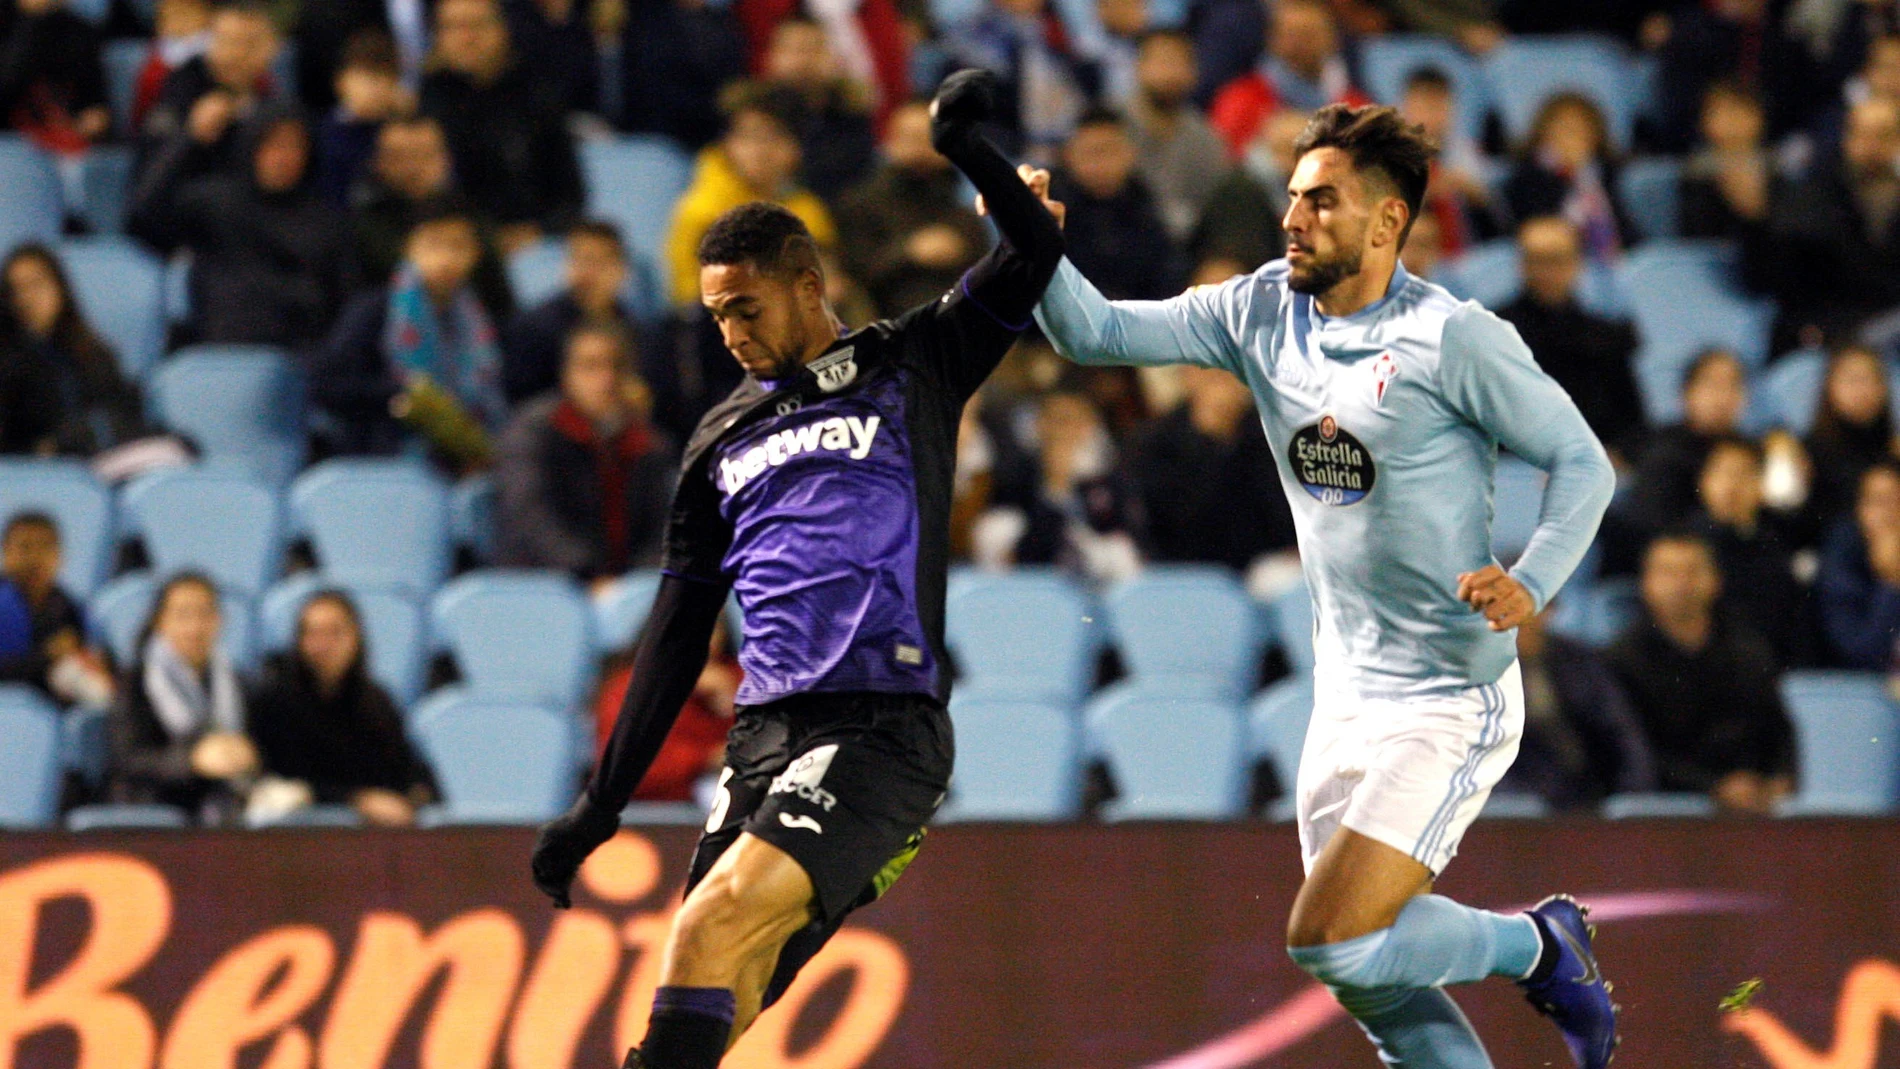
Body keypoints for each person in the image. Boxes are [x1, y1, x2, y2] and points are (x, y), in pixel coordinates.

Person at [1031, 102, 1620, 1068]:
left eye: (1322, 201)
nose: (1293, 219)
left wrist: (1532, 580)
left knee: (1329, 938)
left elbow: (1581, 462)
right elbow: (1093, 334)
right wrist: (1031, 249)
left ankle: (1538, 942)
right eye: (1293, 198)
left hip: (1448, 694)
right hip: (1343, 690)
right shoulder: (1260, 308)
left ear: (1389, 222)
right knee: (1370, 971)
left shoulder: (1453, 338)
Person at [530, 69, 1066, 1069]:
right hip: (762, 740)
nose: (731, 333)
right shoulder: (715, 441)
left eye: (746, 307)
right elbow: (680, 630)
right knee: (705, 1001)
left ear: (809, 285)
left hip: (881, 728)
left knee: (702, 929)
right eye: (715, 316)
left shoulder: (917, 363)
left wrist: (963, 148)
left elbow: (1032, 247)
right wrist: (599, 803)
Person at [129, 107, 357, 351]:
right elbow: (143, 215)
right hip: (221, 355)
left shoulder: (327, 221)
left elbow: (347, 301)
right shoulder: (216, 203)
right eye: (272, 145)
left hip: (302, 357)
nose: (282, 158)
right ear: (250, 146)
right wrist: (190, 141)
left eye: (294, 147)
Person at [1608, 531, 1796, 813]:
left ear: (1716, 580)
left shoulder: (1747, 648)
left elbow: (1778, 728)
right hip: (1664, 810)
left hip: (1753, 804)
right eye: (1669, 572)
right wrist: (1713, 787)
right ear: (1646, 583)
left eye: (1693, 571)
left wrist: (1779, 779)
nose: (1682, 584)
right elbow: (1634, 750)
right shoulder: (1623, 658)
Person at [312, 198, 506, 467]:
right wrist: (403, 396)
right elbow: (329, 386)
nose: (446, 259)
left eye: (458, 246)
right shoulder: (374, 311)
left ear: (476, 254)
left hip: (466, 457)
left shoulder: (481, 320)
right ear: (408, 249)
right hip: (383, 457)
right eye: (434, 244)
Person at [496, 325, 678, 578]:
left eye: (616, 366)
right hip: (546, 586)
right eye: (590, 366)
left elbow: (664, 529)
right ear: (566, 374)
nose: (607, 379)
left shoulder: (646, 443)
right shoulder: (533, 435)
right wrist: (588, 574)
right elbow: (532, 519)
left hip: (626, 589)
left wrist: (638, 581)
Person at [248, 591, 438, 826]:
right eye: (313, 633)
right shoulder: (274, 702)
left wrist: (416, 794)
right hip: (299, 834)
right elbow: (282, 779)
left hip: (374, 837)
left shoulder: (377, 702)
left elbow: (407, 768)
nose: (323, 645)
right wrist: (359, 800)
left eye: (334, 632)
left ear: (356, 637)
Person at [420, 0, 585, 254]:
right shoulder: (428, 102)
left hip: (532, 243)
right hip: (453, 246)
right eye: (452, 27)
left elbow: (570, 196)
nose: (466, 38)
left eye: (476, 26)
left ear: (504, 29)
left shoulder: (537, 97)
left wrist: (537, 231)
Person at [1744, 97, 1900, 353]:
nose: (1872, 145)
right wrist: (1754, 220)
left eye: (1883, 135)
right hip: (1824, 328)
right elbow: (1775, 276)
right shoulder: (1809, 196)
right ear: (1846, 138)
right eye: (1861, 134)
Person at [665, 86, 837, 309]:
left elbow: (828, 280)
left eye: (775, 137)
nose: (761, 151)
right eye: (749, 136)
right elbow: (690, 297)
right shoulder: (703, 211)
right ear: (727, 143)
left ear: (797, 149)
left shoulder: (808, 209)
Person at [108, 572, 258, 824]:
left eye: (205, 613)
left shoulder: (238, 681)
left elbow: (260, 746)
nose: (195, 626)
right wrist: (192, 761)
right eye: (182, 614)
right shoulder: (134, 681)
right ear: (159, 621)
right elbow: (126, 759)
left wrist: (249, 755)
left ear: (219, 620)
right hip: (154, 811)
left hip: (225, 807)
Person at [1497, 217, 1645, 461]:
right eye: (1535, 260)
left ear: (1577, 263)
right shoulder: (1493, 331)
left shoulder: (1606, 336)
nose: (1544, 272)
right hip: (1511, 472)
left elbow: (1634, 421)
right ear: (1520, 265)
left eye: (1555, 260)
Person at [1127, 363, 1296, 573]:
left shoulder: (1276, 431)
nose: (1220, 385)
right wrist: (1210, 441)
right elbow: (1168, 526)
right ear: (1186, 377)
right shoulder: (1155, 443)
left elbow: (1286, 520)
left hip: (1270, 567)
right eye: (1208, 373)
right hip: (1191, 574)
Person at [836, 98, 991, 317]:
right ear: (889, 142)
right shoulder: (861, 204)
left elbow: (988, 272)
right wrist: (909, 253)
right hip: (889, 324)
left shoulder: (961, 208)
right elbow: (853, 273)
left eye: (929, 139)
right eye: (911, 138)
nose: (920, 148)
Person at [349, 115, 514, 318]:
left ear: (445, 158)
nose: (412, 167)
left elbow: (500, 299)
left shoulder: (469, 215)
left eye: (424, 155)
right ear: (379, 162)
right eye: (399, 156)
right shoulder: (363, 222)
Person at [973, 389, 1142, 581]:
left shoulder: (1109, 476)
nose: (1063, 432)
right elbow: (1021, 542)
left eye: (1073, 421)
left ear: (1089, 427)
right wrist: (1055, 487)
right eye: (1055, 421)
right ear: (1038, 425)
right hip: (1034, 566)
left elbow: (1126, 532)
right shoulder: (1017, 473)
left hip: (1099, 573)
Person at [1498, 605, 1654, 812]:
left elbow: (1622, 734)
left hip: (1590, 796)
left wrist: (1633, 794)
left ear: (1550, 609)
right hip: (1516, 806)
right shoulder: (1474, 671)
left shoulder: (1580, 661)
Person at [0, 244, 146, 457]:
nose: (27, 298)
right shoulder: (8, 363)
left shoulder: (96, 355)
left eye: (36, 284)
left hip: (100, 465)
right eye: (16, 289)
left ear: (60, 287)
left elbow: (123, 418)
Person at [1691, 435, 1814, 669]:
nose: (1731, 486)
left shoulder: (1776, 542)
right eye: (1722, 473)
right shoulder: (1686, 545)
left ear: (1760, 485)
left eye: (1742, 474)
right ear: (1704, 482)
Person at [593, 617, 740, 801]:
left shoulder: (742, 680)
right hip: (652, 809)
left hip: (733, 798)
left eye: (711, 629)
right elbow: (623, 772)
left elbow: (765, 753)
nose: (699, 639)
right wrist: (705, 758)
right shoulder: (630, 688)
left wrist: (732, 703)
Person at [138, 0, 283, 183]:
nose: (234, 54)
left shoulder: (273, 101)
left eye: (248, 44)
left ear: (271, 49)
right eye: (226, 41)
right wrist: (191, 136)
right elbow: (144, 196)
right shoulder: (179, 92)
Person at [503, 221, 644, 404]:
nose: (586, 272)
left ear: (620, 268)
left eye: (597, 262)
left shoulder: (633, 326)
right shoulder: (535, 328)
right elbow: (523, 399)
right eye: (578, 259)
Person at [1049, 107, 1181, 301]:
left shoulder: (1144, 205)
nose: (1101, 164)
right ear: (1068, 155)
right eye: (1091, 153)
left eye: (1110, 151)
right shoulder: (1049, 208)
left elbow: (1165, 277)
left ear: (1130, 154)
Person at [1208, 0, 1369, 159]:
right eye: (1292, 34)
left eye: (1310, 34)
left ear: (1333, 38)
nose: (1301, 44)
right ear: (1272, 40)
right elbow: (1225, 160)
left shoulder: (1353, 104)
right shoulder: (1241, 101)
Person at [755, 16, 878, 201]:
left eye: (812, 49)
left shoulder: (852, 113)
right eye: (791, 50)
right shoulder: (751, 114)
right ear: (771, 57)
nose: (801, 61)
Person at [0, 512, 113, 708]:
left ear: (60, 556)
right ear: (6, 553)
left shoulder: (71, 608)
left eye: (46, 547)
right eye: (25, 547)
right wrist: (46, 656)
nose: (36, 558)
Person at [1127, 29, 1228, 243]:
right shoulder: (1112, 127)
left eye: (1179, 63)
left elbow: (1214, 211)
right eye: (1162, 62)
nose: (1169, 73)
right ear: (1139, 66)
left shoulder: (1205, 138)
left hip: (1188, 249)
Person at [1504, 93, 1630, 261]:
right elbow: (1537, 228)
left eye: (1581, 129)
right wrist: (1571, 176)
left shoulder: (1603, 174)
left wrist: (1585, 179)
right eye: (1564, 127)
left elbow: (1626, 232)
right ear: (1544, 132)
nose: (1572, 136)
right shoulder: (1528, 176)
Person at [1398, 67, 1503, 257]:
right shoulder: (1387, 156)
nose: (1430, 117)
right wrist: (1426, 194)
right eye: (1422, 107)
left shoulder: (1466, 155)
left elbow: (1497, 222)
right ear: (1406, 108)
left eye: (1438, 107)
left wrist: (1476, 196)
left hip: (1466, 258)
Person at [0, 0, 109, 174]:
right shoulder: (8, 23)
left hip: (64, 142)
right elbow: (7, 87)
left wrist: (91, 120)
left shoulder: (79, 31)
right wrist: (31, 23)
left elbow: (95, 101)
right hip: (11, 142)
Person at [1189, 105, 1304, 270]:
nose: (1289, 163)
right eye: (1283, 149)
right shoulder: (1240, 193)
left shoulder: (1298, 195)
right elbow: (1224, 268)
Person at [1817, 459, 1900, 670]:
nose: (1891, 513)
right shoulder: (1841, 561)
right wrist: (1890, 582)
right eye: (1880, 501)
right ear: (1860, 508)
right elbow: (1860, 654)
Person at [315, 29, 413, 208]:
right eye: (366, 77)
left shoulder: (403, 133)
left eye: (385, 77)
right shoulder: (321, 136)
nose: (375, 89)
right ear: (341, 82)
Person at [1804, 344, 1897, 531]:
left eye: (1872, 379)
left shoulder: (1893, 451)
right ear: (1830, 386)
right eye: (1853, 379)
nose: (1864, 389)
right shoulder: (1808, 453)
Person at [1678, 82, 1777, 242]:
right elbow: (1695, 229)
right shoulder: (1700, 167)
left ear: (1758, 115)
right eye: (1715, 111)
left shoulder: (1776, 164)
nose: (1726, 120)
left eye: (1734, 111)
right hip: (1710, 250)